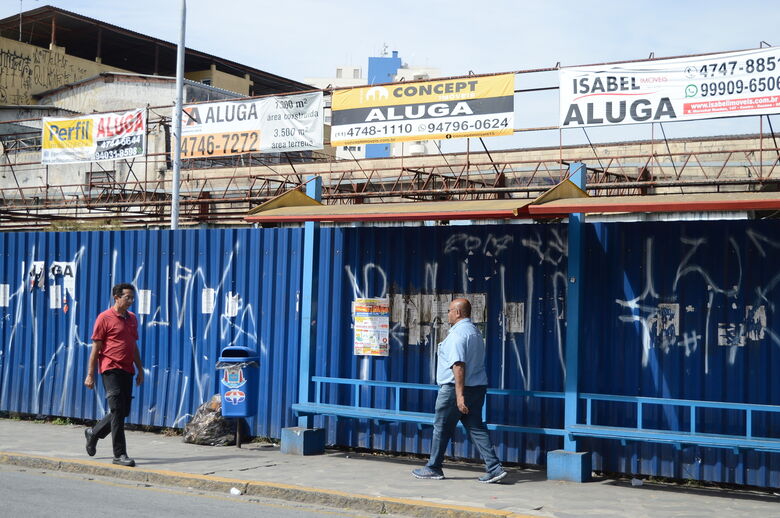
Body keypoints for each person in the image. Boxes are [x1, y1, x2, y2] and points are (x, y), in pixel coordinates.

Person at [412, 298, 507, 483]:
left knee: (441, 427)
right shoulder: (475, 332)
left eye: (449, 310)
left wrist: (459, 395)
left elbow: (458, 366)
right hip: (477, 388)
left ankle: (434, 467)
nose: (447, 314)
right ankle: (495, 468)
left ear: (457, 312)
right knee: (476, 427)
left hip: (455, 390)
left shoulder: (458, 335)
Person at [83, 283, 144, 467]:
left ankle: (94, 433)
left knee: (122, 411)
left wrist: (140, 369)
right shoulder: (104, 318)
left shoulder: (132, 318)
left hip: (127, 370)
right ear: (116, 297)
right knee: (117, 410)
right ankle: (119, 454)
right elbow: (96, 349)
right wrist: (90, 374)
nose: (131, 301)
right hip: (110, 369)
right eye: (128, 297)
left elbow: (133, 346)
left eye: (133, 298)